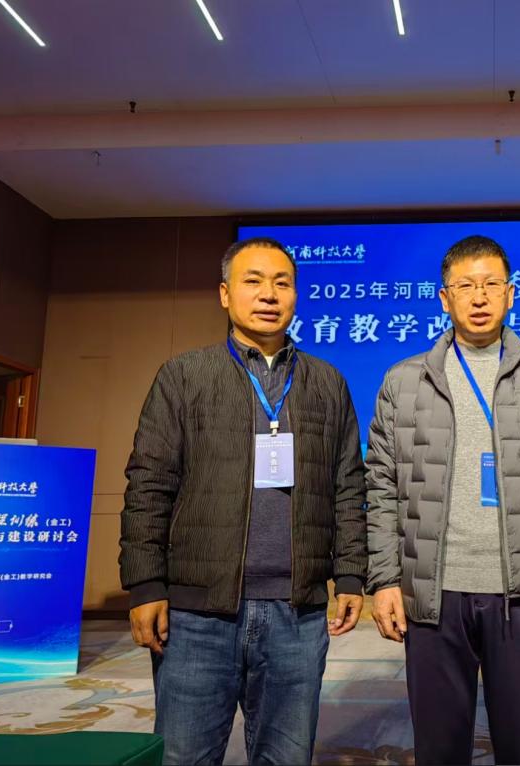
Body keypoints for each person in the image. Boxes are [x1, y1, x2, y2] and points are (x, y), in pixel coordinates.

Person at [119, 237, 367, 765]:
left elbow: (348, 486)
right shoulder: (184, 376)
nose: (269, 294)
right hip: (197, 616)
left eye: (282, 283)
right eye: (253, 281)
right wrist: (145, 584)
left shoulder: (327, 383)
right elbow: (149, 484)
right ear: (225, 294)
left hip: (297, 615)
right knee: (184, 757)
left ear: (296, 295)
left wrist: (349, 575)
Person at [365, 234, 520, 766]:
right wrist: (386, 579)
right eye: (465, 286)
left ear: (511, 294)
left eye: (491, 284)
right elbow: (382, 487)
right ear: (445, 298)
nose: (480, 296)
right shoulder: (404, 380)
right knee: (439, 748)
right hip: (433, 592)